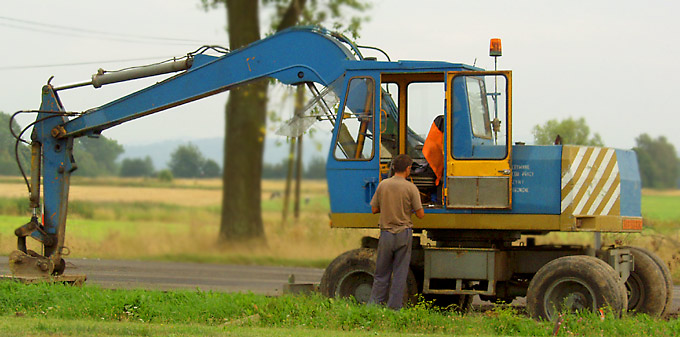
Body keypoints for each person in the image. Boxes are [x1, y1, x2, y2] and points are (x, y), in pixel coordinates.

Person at [368, 154, 425, 310]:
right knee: (399, 274)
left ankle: (374, 307)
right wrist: (409, 209)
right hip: (403, 234)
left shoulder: (383, 185)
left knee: (381, 274)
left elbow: (374, 209)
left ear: (393, 168)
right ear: (407, 169)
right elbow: (420, 214)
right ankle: (394, 309)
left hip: (386, 234)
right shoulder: (411, 188)